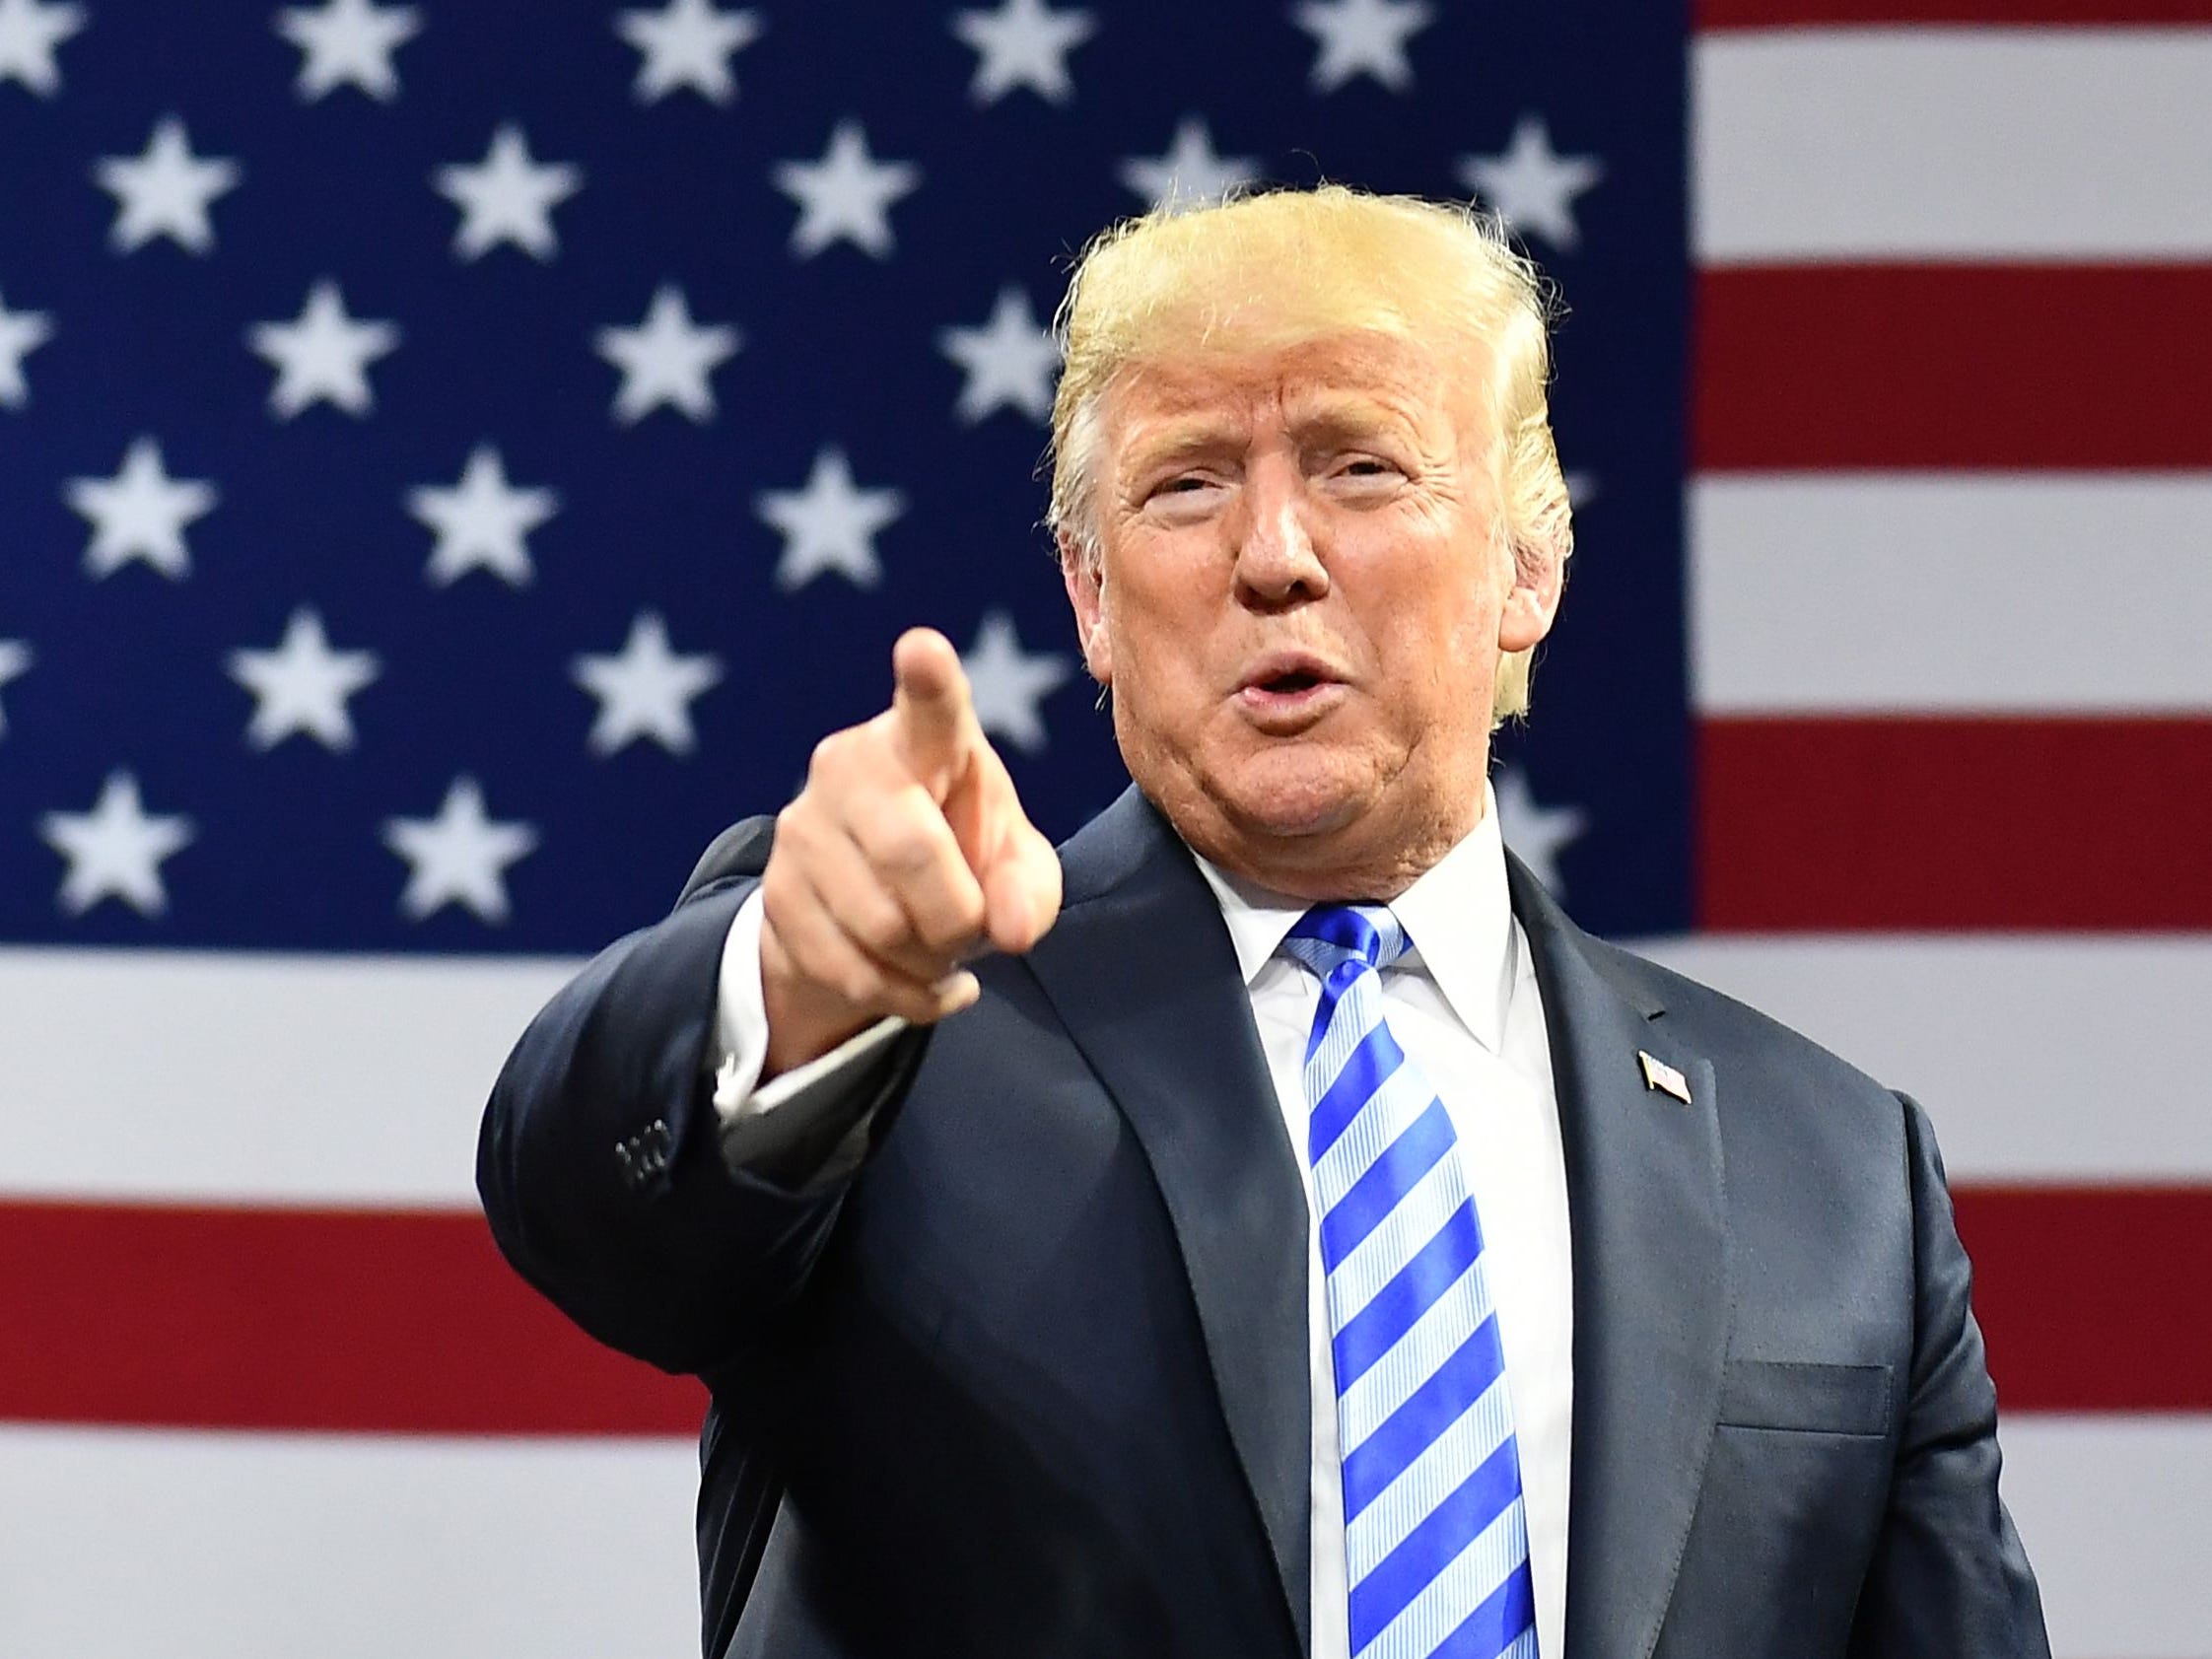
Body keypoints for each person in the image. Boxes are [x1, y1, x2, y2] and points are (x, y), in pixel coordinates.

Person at [479, 184, 2050, 1659]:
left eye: (1361, 466)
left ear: (1531, 567)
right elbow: (590, 1213)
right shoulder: (896, 1022)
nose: (1274, 558)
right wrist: (792, 984)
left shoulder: (1838, 1176)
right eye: (1187, 485)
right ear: (1093, 600)